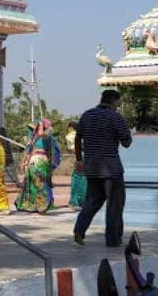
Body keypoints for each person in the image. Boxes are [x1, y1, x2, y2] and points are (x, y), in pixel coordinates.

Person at [73, 89, 132, 247]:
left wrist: (79, 159)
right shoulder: (115, 117)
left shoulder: (87, 115)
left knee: (92, 201)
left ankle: (79, 229)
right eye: (117, 103)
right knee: (115, 204)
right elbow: (126, 142)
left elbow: (78, 139)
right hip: (111, 169)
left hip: (92, 168)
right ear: (114, 101)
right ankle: (113, 240)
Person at [14, 118, 58, 214]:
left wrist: (42, 124)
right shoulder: (33, 138)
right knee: (31, 183)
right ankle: (33, 205)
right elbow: (28, 151)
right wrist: (24, 162)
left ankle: (42, 206)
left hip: (41, 162)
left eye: (39, 126)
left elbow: (42, 134)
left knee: (40, 183)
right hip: (32, 162)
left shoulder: (47, 136)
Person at [65, 121, 87, 209]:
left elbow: (71, 149)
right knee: (84, 179)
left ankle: (75, 201)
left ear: (70, 127)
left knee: (76, 179)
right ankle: (84, 201)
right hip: (87, 157)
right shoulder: (84, 134)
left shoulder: (70, 136)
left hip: (79, 157)